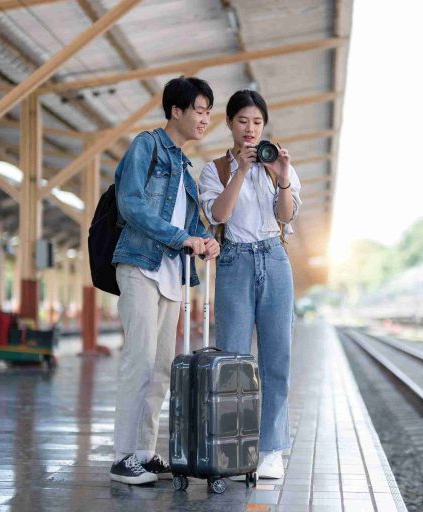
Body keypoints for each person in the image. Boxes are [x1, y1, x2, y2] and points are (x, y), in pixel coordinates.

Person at [109, 76, 220, 485]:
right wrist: (180, 238)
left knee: (159, 368)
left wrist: (205, 240)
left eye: (209, 111)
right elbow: (131, 203)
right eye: (200, 109)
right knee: (138, 360)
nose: (206, 118)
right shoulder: (147, 146)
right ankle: (122, 456)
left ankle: (144, 450)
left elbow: (192, 223)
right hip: (140, 265)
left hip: (172, 276)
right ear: (177, 110)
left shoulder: (185, 172)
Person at [198, 89, 302, 479]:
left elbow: (286, 216)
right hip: (235, 260)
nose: (250, 129)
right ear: (229, 123)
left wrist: (284, 178)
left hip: (274, 259)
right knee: (234, 361)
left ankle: (271, 448)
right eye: (243, 121)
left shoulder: (279, 166)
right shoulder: (216, 170)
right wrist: (241, 171)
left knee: (278, 358)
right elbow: (219, 214)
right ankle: (234, 445)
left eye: (257, 122)